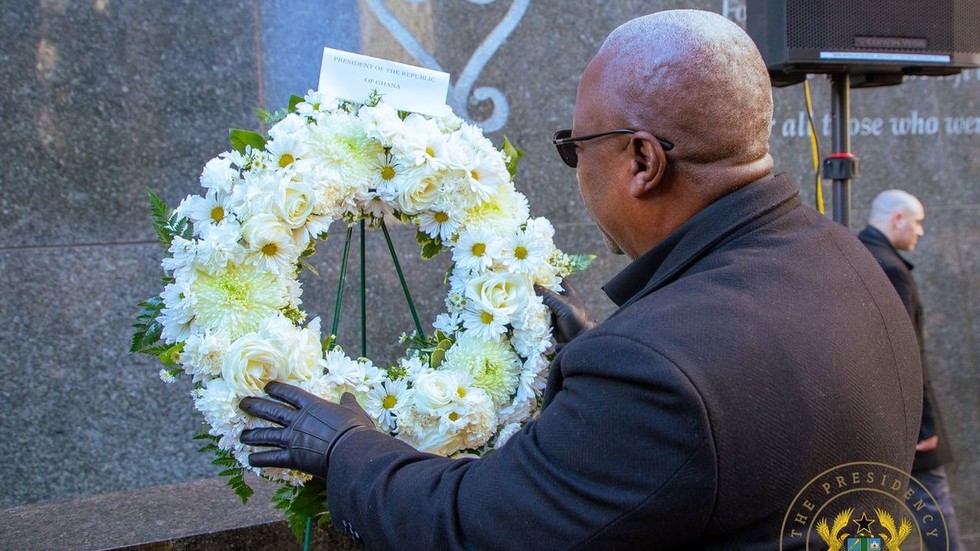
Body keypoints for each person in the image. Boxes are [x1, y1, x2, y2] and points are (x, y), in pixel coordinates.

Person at [239, 10, 922, 549]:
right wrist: (606, 351)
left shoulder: (654, 371)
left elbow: (475, 527)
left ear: (642, 162)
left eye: (574, 147)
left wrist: (348, 449)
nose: (575, 167)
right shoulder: (846, 257)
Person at [858, 190, 963, 551]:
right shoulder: (890, 268)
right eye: (917, 222)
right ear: (897, 219)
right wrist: (925, 425)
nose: (920, 231)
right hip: (903, 420)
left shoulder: (857, 254)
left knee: (868, 513)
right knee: (935, 507)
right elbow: (907, 353)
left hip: (869, 418)